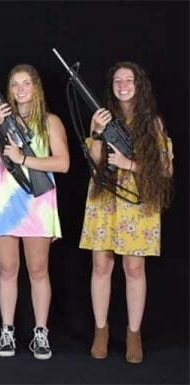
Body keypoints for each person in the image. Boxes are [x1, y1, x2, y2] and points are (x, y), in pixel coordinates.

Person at [79, 62, 173, 363]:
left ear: (138, 84)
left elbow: (165, 170)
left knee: (134, 269)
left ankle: (134, 334)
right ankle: (101, 331)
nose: (122, 85)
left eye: (128, 80)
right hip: (105, 198)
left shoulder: (152, 123)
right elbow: (93, 164)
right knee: (101, 266)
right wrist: (95, 132)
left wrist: (128, 164)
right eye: (117, 80)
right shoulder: (104, 118)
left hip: (138, 202)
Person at [0, 64, 69, 360]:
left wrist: (24, 158)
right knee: (7, 270)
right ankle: (7, 330)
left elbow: (62, 164)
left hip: (37, 202)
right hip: (4, 200)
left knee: (38, 270)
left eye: (26, 83)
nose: (20, 89)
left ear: (36, 87)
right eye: (15, 84)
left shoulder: (51, 122)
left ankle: (40, 333)